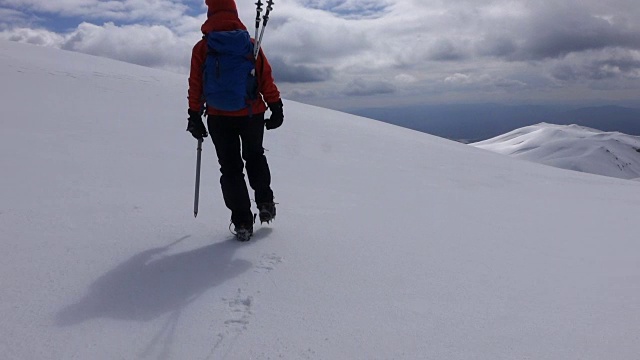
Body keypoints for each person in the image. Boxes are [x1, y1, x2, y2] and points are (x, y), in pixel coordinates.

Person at [187, 0, 283, 241]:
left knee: (230, 169)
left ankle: (242, 221)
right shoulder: (250, 45)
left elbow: (196, 85)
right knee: (255, 156)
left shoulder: (202, 48)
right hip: (251, 113)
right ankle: (265, 202)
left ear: (210, 13)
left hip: (219, 117)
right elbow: (265, 78)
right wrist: (276, 106)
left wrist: (194, 115)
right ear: (234, 12)